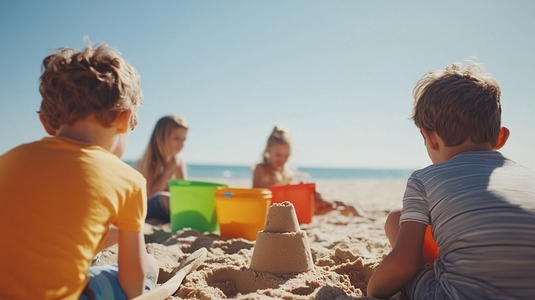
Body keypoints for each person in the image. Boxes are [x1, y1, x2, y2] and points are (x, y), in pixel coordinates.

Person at [0, 43, 160, 299]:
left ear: (46, 122)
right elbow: (133, 284)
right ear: (123, 119)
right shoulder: (128, 181)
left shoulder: (8, 160)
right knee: (149, 265)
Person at [367, 62, 535, 299]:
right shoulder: (530, 177)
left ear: (429, 138)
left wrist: (373, 290)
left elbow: (404, 263)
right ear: (500, 137)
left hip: (455, 295)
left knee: (397, 217)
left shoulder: (423, 179)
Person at [252, 125, 360, 216]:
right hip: (272, 211)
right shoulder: (261, 169)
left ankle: (343, 207)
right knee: (316, 203)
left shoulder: (285, 173)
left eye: (286, 155)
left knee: (318, 198)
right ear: (268, 150)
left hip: (288, 210)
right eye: (278, 155)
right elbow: (256, 197)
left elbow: (289, 195)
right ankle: (340, 208)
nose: (282, 159)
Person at [135, 115, 188, 222]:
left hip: (165, 210)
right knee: (163, 198)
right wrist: (168, 171)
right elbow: (150, 196)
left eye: (184, 139)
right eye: (176, 138)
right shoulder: (149, 161)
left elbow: (183, 192)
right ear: (161, 138)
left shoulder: (178, 160)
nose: (181, 144)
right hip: (145, 208)